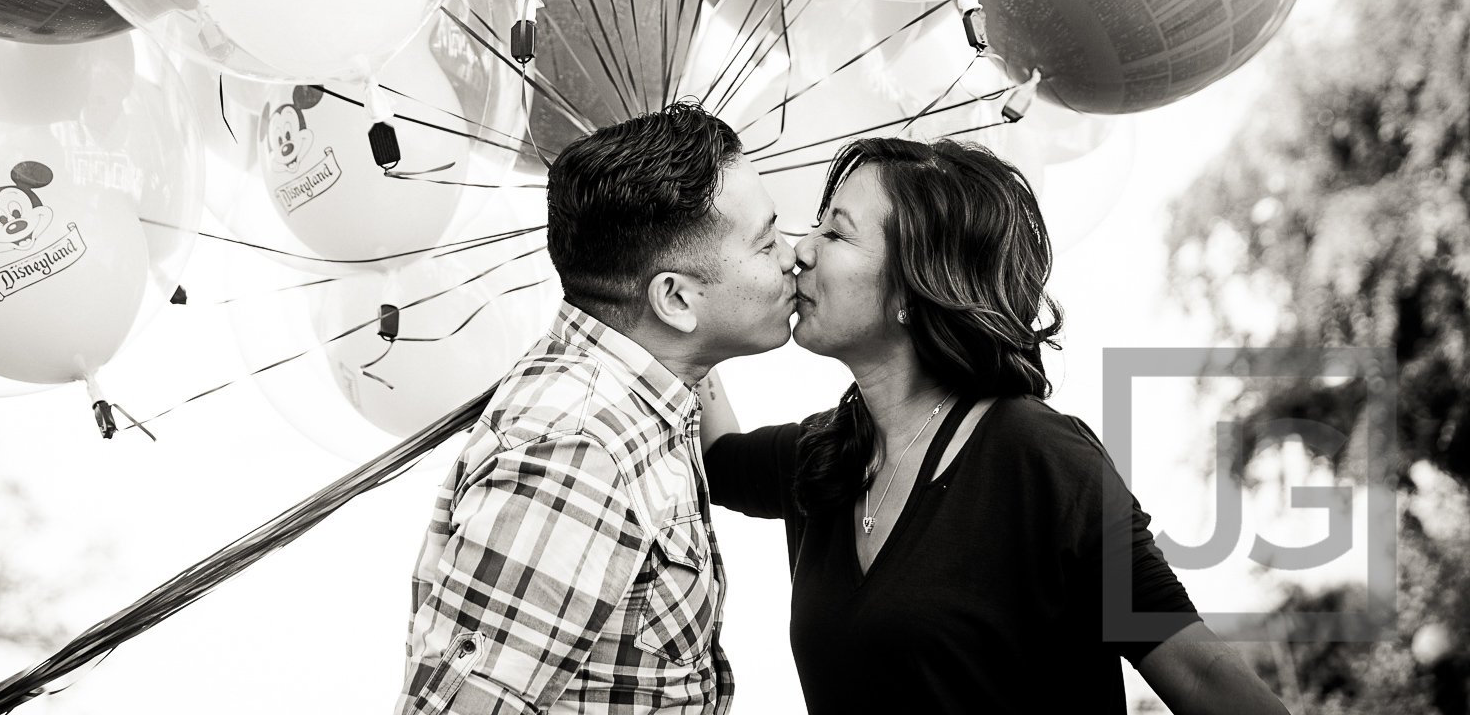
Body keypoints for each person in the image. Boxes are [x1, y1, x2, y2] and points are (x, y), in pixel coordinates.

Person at [699, 137, 1291, 715]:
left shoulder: (1038, 455)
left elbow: (1196, 670)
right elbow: (717, 455)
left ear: (914, 282)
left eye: (836, 232)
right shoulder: (824, 456)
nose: (801, 250)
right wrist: (686, 288)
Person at [398, 101, 798, 714]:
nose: (792, 254)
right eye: (766, 242)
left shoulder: (643, 393)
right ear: (674, 298)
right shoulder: (577, 447)